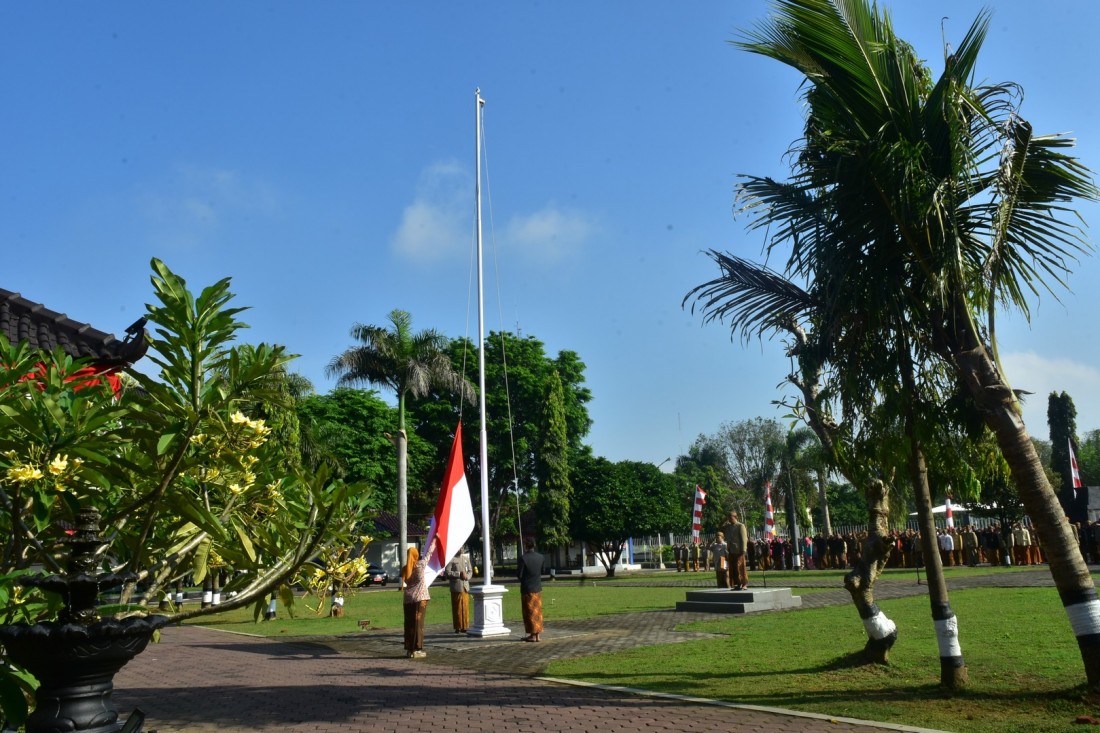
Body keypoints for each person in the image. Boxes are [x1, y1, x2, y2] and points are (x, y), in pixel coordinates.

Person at [402, 537, 437, 659]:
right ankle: (417, 649)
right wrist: (434, 540)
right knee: (418, 625)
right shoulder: (420, 565)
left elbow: (402, 584)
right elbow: (429, 554)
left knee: (409, 624)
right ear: (416, 555)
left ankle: (409, 649)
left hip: (407, 600)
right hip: (420, 599)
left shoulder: (406, 569)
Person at [518, 537, 547, 642]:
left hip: (527, 589)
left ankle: (532, 635)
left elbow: (519, 575)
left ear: (526, 545)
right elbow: (543, 570)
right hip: (537, 588)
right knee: (537, 613)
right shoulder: (541, 557)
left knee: (529, 612)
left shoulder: (523, 558)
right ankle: (537, 635)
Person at [444, 545, 473, 634]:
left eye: (462, 548)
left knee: (465, 607)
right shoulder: (452, 559)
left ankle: (465, 626)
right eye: (459, 547)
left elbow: (470, 571)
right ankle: (458, 626)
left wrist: (467, 577)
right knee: (457, 608)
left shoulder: (465, 559)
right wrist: (458, 574)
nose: (461, 549)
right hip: (457, 587)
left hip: (465, 586)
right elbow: (447, 573)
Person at [722, 511, 749, 590]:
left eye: (731, 517)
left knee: (740, 567)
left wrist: (743, 549)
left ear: (735, 517)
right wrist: (724, 520)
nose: (729, 519)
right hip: (731, 550)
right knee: (733, 568)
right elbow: (720, 527)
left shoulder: (740, 526)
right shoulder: (728, 527)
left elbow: (744, 538)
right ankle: (737, 583)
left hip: (739, 550)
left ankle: (744, 583)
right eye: (728, 517)